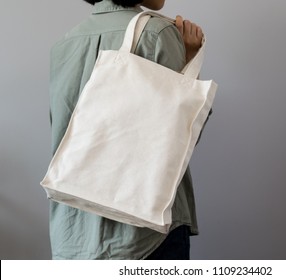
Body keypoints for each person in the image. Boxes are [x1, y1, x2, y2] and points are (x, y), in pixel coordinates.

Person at [48, 0, 206, 259]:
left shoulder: (65, 43)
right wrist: (189, 58)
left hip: (72, 233)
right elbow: (181, 136)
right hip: (144, 236)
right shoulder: (159, 34)